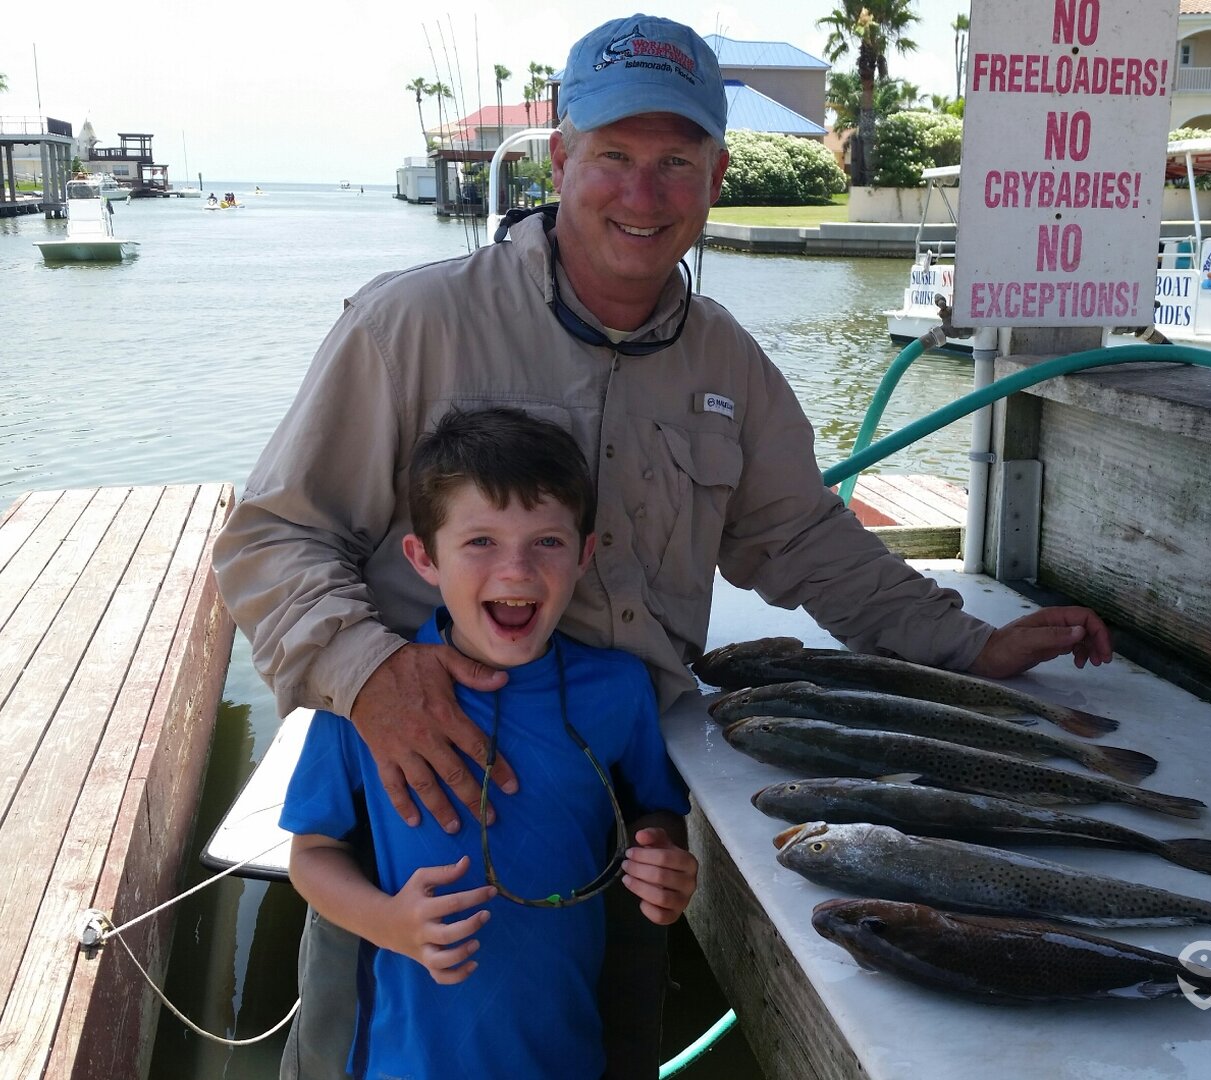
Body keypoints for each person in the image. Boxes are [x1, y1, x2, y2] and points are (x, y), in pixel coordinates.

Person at [213, 13, 1112, 1078]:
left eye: (676, 162)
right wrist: (369, 677)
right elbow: (271, 539)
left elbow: (806, 539)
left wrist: (967, 647)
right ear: (561, 160)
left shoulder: (728, 359)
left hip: (623, 815)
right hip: (419, 807)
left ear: (716, 175)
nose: (643, 195)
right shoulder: (411, 324)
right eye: (615, 158)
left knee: (608, 1048)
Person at [281, 406, 694, 1079]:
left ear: (585, 554)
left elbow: (655, 812)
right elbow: (311, 856)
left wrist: (665, 861)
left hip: (568, 1056)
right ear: (423, 558)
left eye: (548, 542)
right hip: (402, 1063)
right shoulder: (365, 701)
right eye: (480, 542)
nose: (517, 572)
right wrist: (390, 925)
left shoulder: (620, 690)